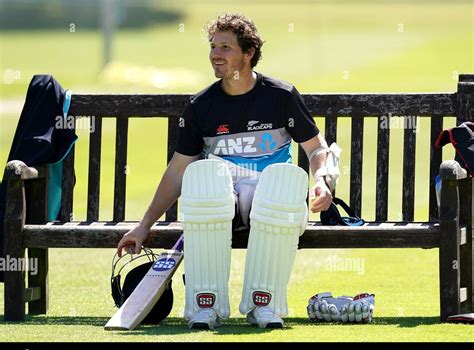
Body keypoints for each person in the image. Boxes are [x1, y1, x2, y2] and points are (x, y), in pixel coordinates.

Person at [117, 13, 333, 329]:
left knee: (285, 182)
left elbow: (316, 148)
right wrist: (143, 225)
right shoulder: (201, 106)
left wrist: (322, 182)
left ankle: (265, 305)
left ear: (248, 53)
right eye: (213, 46)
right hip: (222, 202)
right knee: (204, 178)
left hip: (271, 200)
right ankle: (207, 305)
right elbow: (178, 171)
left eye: (226, 48)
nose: (216, 55)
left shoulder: (281, 96)